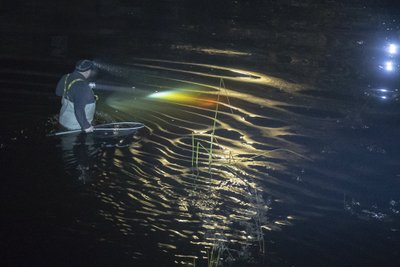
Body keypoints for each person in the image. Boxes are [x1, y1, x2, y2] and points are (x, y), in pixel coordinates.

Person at [55, 59, 96, 133]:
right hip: (75, 127)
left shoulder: (66, 77)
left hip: (63, 119)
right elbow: (78, 109)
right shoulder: (82, 86)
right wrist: (86, 126)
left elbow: (58, 93)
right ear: (88, 71)